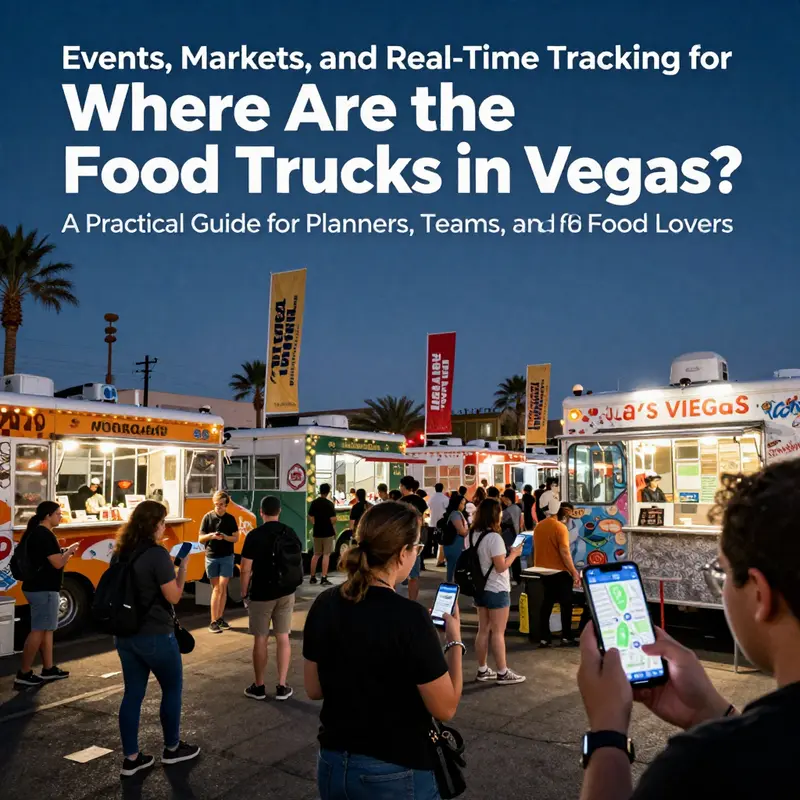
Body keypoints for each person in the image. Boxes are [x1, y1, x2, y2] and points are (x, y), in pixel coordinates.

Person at [577, 460, 800, 800]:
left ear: (760, 593)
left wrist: (607, 732)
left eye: (721, 574)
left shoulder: (702, 768)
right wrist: (712, 713)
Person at [303, 501, 464, 799]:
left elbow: (313, 688)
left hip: (333, 764)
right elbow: (446, 707)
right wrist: (454, 641)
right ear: (403, 553)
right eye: (416, 546)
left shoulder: (325, 603)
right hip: (395, 768)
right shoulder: (410, 618)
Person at [113, 500, 200, 777]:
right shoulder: (157, 555)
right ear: (154, 525)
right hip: (155, 635)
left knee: (132, 694)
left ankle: (131, 758)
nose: (165, 526)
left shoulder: (121, 552)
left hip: (125, 634)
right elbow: (173, 596)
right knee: (171, 689)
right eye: (163, 521)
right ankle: (172, 749)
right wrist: (183, 567)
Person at [240, 495, 301, 702]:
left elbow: (246, 569)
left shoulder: (254, 535)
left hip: (261, 593)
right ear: (279, 511)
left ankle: (259, 687)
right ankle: (282, 686)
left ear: (261, 512)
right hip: (286, 591)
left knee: (261, 639)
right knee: (283, 637)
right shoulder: (289, 532)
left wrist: (243, 592)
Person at [14, 502, 79, 687]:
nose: (60, 516)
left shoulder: (35, 533)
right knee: (38, 630)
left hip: (36, 587)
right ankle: (24, 673)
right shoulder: (45, 535)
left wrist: (63, 553)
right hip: (43, 589)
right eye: (58, 514)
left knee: (47, 629)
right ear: (48, 515)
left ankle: (48, 668)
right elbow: (57, 563)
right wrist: (70, 552)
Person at [464, 498, 525, 685]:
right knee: (498, 632)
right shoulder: (494, 537)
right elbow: (501, 566)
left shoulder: (472, 534)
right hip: (497, 588)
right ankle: (502, 672)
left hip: (479, 587)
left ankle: (483, 670)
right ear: (494, 514)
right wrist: (514, 554)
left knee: (483, 630)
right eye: (499, 512)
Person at [534, 502, 581, 647]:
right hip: (560, 572)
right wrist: (574, 572)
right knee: (566, 605)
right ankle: (566, 636)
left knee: (547, 603)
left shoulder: (539, 526)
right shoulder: (560, 528)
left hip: (543, 570)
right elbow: (565, 553)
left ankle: (544, 638)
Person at [198, 490, 240, 633]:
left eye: (221, 504)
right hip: (211, 556)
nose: (218, 507)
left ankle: (218, 619)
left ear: (226, 504)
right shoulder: (207, 518)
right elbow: (200, 538)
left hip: (227, 556)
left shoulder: (230, 519)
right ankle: (214, 620)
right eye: (216, 504)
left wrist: (224, 537)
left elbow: (236, 538)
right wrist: (211, 536)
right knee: (216, 588)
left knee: (222, 587)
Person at [397, 476, 428, 601]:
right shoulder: (421, 501)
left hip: (401, 540)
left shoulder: (400, 502)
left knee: (396, 572)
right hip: (416, 539)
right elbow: (424, 519)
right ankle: (412, 601)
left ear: (404, 487)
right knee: (414, 576)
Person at [309, 483, 338, 586]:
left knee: (316, 554)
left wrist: (316, 523)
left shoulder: (314, 503)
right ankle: (324, 577)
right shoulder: (329, 504)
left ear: (320, 491)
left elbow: (311, 517)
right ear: (328, 491)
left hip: (317, 531)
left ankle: (312, 577)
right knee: (326, 554)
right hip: (327, 532)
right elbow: (333, 519)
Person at [441, 493, 469, 583]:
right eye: (462, 503)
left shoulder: (455, 513)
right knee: (453, 567)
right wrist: (470, 530)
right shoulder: (456, 514)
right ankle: (451, 586)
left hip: (453, 544)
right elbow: (462, 531)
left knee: (452, 567)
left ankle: (451, 584)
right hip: (455, 544)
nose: (463, 506)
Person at [501, 488, 524, 585]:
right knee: (516, 558)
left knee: (511, 557)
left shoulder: (507, 511)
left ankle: (514, 578)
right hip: (517, 535)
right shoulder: (517, 508)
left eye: (504, 498)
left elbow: (502, 523)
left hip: (510, 536)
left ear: (507, 498)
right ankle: (517, 577)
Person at [428, 483, 449, 567]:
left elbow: (429, 507)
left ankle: (436, 555)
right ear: (442, 488)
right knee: (441, 540)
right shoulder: (445, 498)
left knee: (435, 539)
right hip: (442, 522)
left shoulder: (431, 498)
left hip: (433, 521)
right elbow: (447, 508)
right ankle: (440, 559)